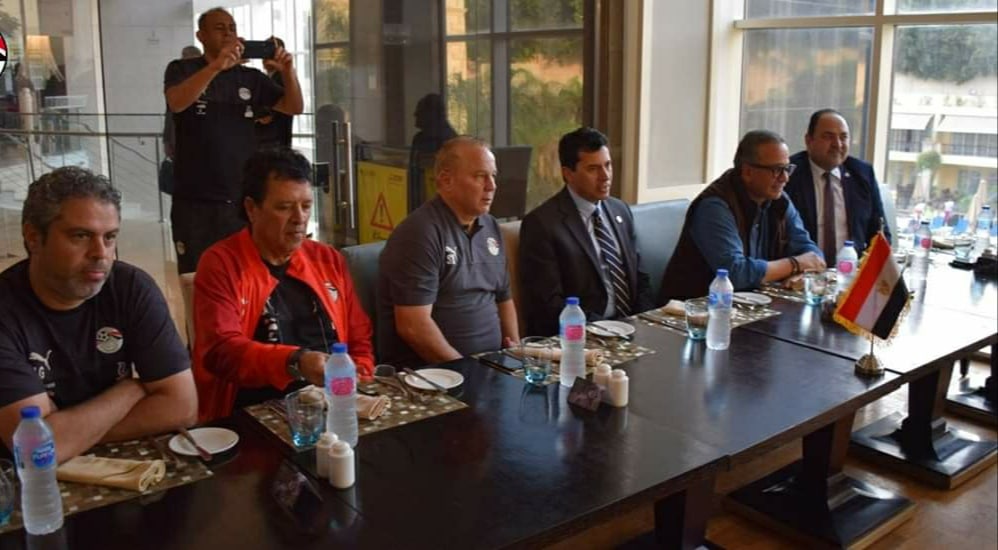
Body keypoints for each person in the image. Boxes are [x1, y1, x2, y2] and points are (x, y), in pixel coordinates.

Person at [0, 167, 197, 463]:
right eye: (80, 236)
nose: (101, 253)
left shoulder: (131, 287)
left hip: (119, 469)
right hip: (27, 483)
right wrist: (131, 389)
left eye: (110, 237)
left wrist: (70, 433)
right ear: (33, 237)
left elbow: (183, 407)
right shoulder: (6, 312)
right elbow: (36, 449)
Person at [192, 148, 374, 421]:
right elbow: (222, 351)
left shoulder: (327, 259)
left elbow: (359, 336)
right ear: (252, 209)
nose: (299, 218)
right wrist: (295, 361)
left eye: (306, 206)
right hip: (256, 410)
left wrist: (359, 377)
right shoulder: (222, 264)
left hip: (334, 403)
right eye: (284, 207)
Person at [164, 7, 303, 274]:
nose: (228, 33)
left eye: (232, 28)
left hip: (242, 199)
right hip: (195, 200)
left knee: (247, 274)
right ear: (201, 36)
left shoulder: (250, 78)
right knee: (197, 276)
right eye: (219, 28)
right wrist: (217, 66)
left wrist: (288, 71)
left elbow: (293, 106)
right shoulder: (182, 69)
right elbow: (177, 102)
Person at [378, 136, 519, 368]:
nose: (491, 186)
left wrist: (515, 354)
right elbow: (413, 326)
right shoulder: (420, 232)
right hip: (435, 373)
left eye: (493, 175)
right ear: (446, 180)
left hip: (491, 366)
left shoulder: (490, 226)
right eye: (480, 176)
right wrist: (466, 369)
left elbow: (503, 298)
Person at [660, 130, 825, 301]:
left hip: (752, 304)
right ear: (747, 172)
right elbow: (735, 274)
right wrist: (795, 265)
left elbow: (811, 252)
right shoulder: (715, 206)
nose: (785, 178)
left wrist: (803, 273)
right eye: (777, 170)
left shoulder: (779, 200)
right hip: (699, 309)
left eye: (787, 169)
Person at [519, 127, 653, 336]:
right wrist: (607, 330)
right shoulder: (542, 224)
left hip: (630, 328)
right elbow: (548, 303)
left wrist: (642, 322)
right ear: (568, 174)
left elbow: (640, 278)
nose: (605, 176)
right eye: (593, 169)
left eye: (608, 165)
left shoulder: (620, 210)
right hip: (582, 336)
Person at [785, 109, 891, 263]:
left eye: (843, 137)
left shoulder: (862, 173)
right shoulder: (788, 174)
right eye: (828, 137)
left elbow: (880, 233)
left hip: (851, 271)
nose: (837, 144)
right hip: (802, 271)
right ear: (809, 140)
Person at [408, 93, 457, 211]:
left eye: (419, 112)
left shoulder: (447, 141)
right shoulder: (422, 138)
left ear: (429, 115)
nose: (415, 114)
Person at [254, 37, 294, 149]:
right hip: (269, 140)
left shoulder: (283, 78)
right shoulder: (268, 78)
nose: (265, 58)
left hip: (274, 141)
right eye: (264, 53)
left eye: (270, 53)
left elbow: (266, 115)